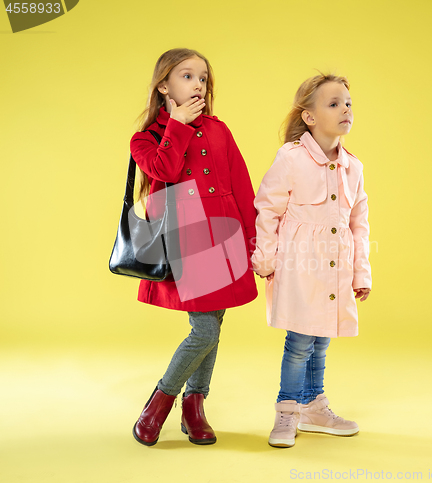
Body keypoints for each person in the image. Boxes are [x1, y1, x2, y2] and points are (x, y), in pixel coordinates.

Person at [129, 48, 258, 446]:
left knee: (213, 325)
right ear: (164, 85)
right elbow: (164, 169)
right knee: (204, 329)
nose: (198, 83)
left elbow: (242, 186)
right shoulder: (145, 138)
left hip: (225, 237)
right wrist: (178, 125)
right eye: (187, 76)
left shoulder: (220, 130)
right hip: (185, 240)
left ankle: (194, 405)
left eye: (203, 77)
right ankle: (163, 401)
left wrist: (255, 244)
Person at [251, 73, 372, 448]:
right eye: (333, 103)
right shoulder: (291, 158)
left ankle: (314, 405)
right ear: (309, 117)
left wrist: (360, 272)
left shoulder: (354, 166)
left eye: (348, 102)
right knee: (300, 340)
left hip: (336, 268)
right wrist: (265, 259)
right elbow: (267, 209)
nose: (345, 109)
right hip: (300, 266)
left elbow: (359, 223)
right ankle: (287, 410)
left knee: (322, 340)